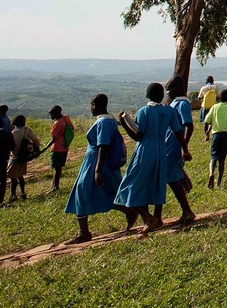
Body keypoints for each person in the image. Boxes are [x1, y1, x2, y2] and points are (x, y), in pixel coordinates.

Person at [65, 93, 129, 244]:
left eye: (91, 105)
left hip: (96, 162)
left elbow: (103, 146)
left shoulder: (104, 122)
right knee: (107, 191)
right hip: (96, 161)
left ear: (96, 105)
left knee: (83, 191)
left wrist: (98, 170)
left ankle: (84, 232)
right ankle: (84, 231)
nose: (90, 108)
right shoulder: (109, 120)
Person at [114, 82, 175, 233]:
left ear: (147, 96)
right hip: (162, 149)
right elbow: (178, 131)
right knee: (156, 183)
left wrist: (124, 122)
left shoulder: (143, 111)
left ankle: (148, 217)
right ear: (162, 96)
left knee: (129, 185)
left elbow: (138, 135)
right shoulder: (168, 111)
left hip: (145, 150)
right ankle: (157, 218)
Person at [159, 75, 196, 225]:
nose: (167, 93)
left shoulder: (182, 104)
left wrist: (184, 147)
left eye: (169, 90)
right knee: (168, 177)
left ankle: (187, 211)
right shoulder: (175, 103)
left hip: (175, 146)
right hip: (169, 144)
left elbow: (188, 125)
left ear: (176, 90)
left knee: (170, 178)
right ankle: (158, 215)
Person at [202, 89, 227, 189]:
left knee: (213, 157)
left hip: (216, 134)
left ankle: (211, 173)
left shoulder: (214, 107)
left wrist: (206, 133)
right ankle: (219, 182)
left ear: (219, 98)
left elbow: (206, 121)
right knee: (222, 159)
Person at [8, 114, 42, 201]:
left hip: (14, 156)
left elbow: (10, 146)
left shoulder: (12, 134)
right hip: (24, 155)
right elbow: (35, 140)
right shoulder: (27, 130)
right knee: (20, 176)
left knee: (13, 178)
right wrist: (37, 150)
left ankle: (13, 195)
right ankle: (22, 193)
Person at [48, 105, 75, 193]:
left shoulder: (57, 123)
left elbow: (53, 138)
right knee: (58, 168)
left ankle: (55, 187)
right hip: (64, 147)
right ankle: (54, 186)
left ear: (57, 113)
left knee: (56, 168)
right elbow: (72, 128)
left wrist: (43, 149)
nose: (50, 115)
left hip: (57, 148)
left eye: (51, 113)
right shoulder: (66, 118)